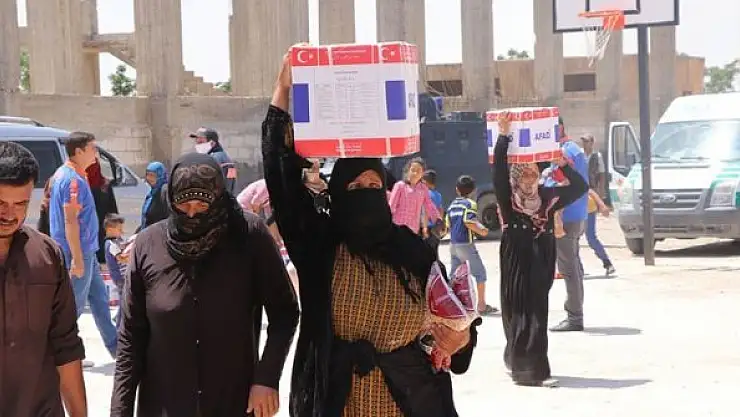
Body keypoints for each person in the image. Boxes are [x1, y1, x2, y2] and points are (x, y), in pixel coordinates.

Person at [263, 49, 479, 417]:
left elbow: (452, 320)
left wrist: (461, 338)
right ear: (338, 193)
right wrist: (282, 93)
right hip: (334, 401)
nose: (365, 192)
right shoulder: (319, 246)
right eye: (355, 186)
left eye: (373, 185)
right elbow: (282, 181)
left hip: (410, 402)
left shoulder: (414, 251)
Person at [111, 153, 299, 417]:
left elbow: (284, 312)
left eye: (202, 204)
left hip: (233, 401)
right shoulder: (148, 245)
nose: (191, 213)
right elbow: (131, 337)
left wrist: (267, 378)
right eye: (183, 204)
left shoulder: (249, 236)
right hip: (165, 404)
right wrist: (120, 410)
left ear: (219, 198)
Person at [492, 112, 588, 386]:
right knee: (518, 310)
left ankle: (523, 362)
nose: (529, 178)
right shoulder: (509, 201)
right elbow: (498, 174)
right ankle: (527, 368)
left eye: (533, 172)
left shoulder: (547, 197)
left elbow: (580, 187)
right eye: (523, 174)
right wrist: (503, 137)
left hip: (541, 258)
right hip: (517, 259)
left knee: (535, 311)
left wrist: (562, 164)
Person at [0, 142, 87, 417]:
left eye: (20, 204)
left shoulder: (48, 256)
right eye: (0, 203)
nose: (10, 215)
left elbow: (66, 347)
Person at [48, 132, 118, 360]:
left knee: (100, 301)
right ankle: (57, 355)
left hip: (85, 251)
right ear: (78, 151)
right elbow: (71, 221)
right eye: (92, 148)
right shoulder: (72, 180)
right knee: (73, 308)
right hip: (77, 252)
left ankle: (117, 349)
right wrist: (77, 260)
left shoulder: (70, 175)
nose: (96, 153)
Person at [548, 118, 590, 333]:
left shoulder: (564, 152)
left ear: (559, 128)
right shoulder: (574, 149)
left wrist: (557, 216)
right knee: (574, 266)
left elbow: (563, 183)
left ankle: (575, 317)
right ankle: (575, 313)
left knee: (569, 268)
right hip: (577, 214)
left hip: (566, 217)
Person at [446, 175, 498, 316]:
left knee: (454, 275)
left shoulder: (452, 205)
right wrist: (482, 230)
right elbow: (469, 221)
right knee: (480, 274)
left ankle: (452, 304)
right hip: (466, 244)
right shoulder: (469, 204)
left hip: (453, 245)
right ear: (474, 190)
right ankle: (481, 306)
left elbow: (448, 225)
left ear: (457, 190)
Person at [388, 157, 442, 236]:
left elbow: (429, 205)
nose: (415, 173)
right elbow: (391, 207)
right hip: (398, 229)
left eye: (418, 171)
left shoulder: (423, 188)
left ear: (422, 174)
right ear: (408, 171)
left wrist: (438, 220)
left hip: (413, 230)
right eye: (413, 170)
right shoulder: (400, 186)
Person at [86, 158, 119, 267]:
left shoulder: (105, 185)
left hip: (102, 235)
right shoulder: (81, 185)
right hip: (88, 236)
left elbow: (112, 210)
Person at [190, 127, 237, 195]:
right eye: (197, 142)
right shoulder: (226, 158)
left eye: (201, 142)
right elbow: (231, 183)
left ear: (212, 143)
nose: (197, 146)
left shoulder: (212, 160)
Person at [103, 213, 128, 327]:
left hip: (123, 275)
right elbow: (121, 258)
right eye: (119, 229)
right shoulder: (111, 244)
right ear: (110, 229)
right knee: (124, 299)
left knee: (125, 298)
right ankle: (119, 323)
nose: (122, 232)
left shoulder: (117, 241)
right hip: (120, 277)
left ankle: (118, 317)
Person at [138, 161, 168, 231]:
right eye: (147, 175)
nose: (149, 178)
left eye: (152, 175)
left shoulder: (165, 191)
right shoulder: (152, 193)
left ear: (160, 176)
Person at [422, 169, 445, 253]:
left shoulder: (426, 194)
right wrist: (439, 224)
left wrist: (424, 227)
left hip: (428, 227)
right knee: (435, 251)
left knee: (426, 252)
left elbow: (426, 211)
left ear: (425, 182)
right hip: (436, 228)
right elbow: (441, 210)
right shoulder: (438, 194)